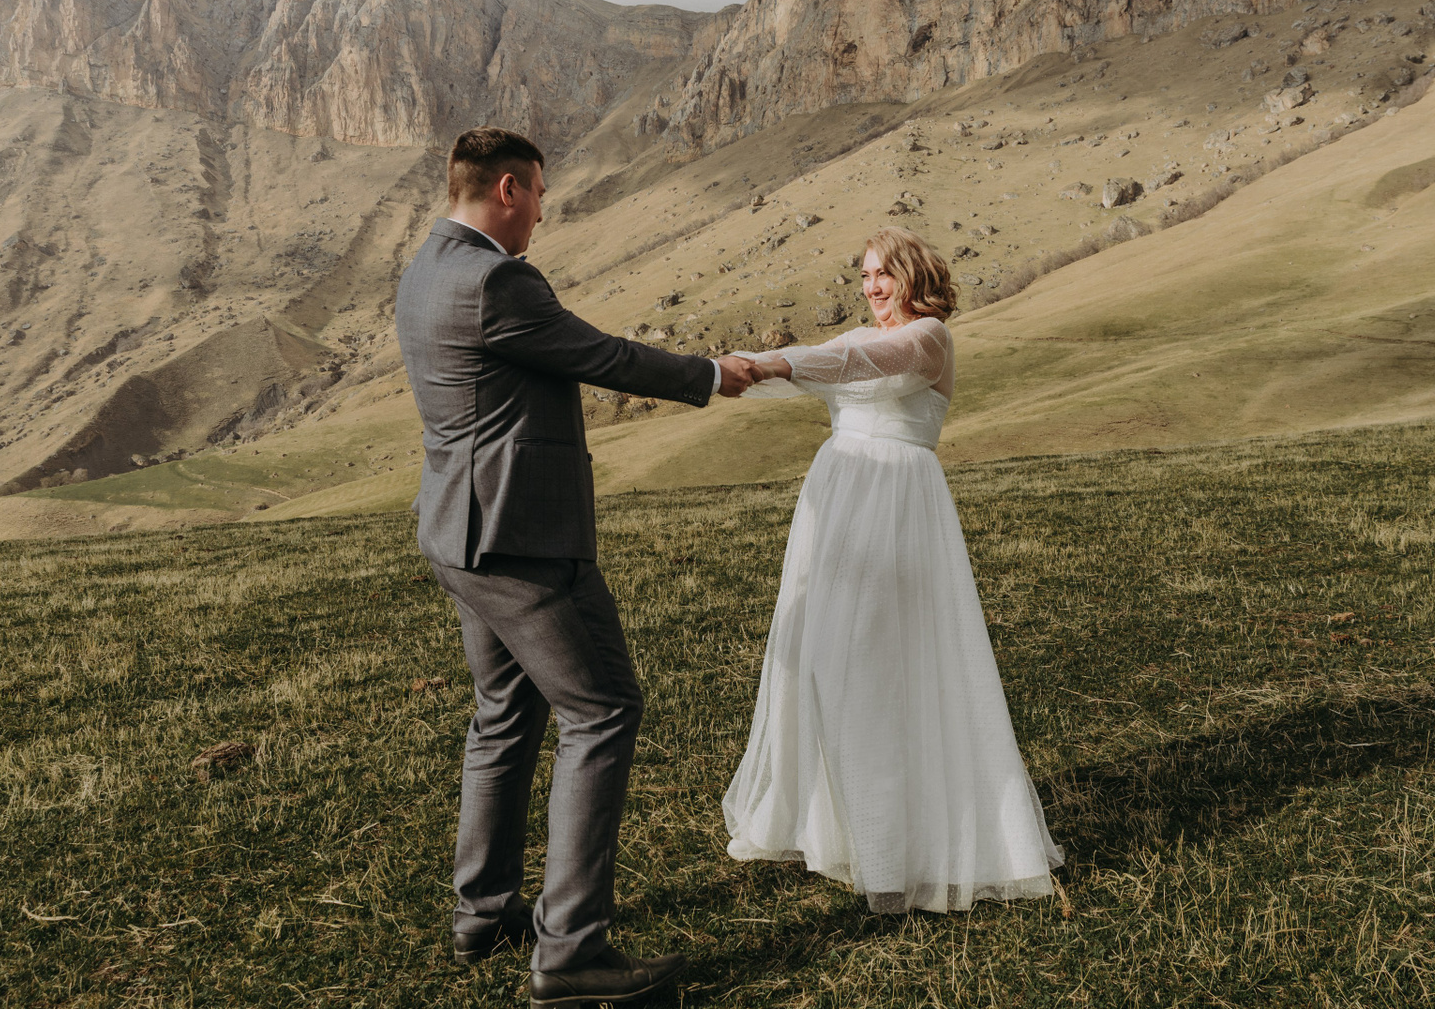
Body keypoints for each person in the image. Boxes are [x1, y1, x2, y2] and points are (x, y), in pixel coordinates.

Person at [395, 127, 757, 1007]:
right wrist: (712, 374)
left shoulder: (426, 268)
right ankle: (571, 955)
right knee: (602, 710)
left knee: (504, 712)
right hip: (522, 538)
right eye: (540, 197)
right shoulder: (497, 280)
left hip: (459, 530)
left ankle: (484, 913)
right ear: (509, 189)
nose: (541, 216)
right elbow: (601, 355)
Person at [721, 225, 1062, 913]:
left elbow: (857, 362)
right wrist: (727, 372)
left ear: (913, 275)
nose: (872, 287)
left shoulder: (928, 337)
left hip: (895, 504)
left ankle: (894, 854)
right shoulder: (857, 336)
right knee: (822, 660)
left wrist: (775, 362)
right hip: (837, 501)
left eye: (883, 273)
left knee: (876, 667)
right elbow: (821, 365)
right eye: (864, 275)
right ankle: (836, 827)